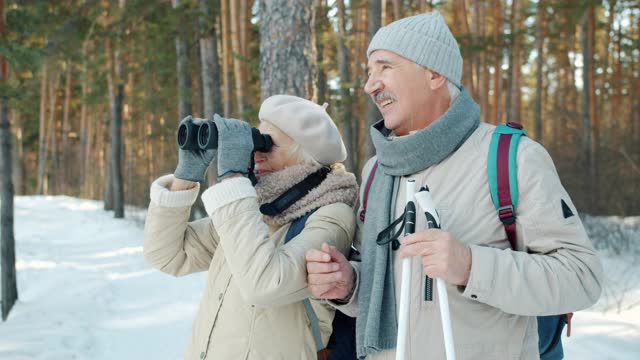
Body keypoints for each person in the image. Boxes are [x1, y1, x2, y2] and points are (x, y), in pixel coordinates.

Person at [305, 11, 603, 360]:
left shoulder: (514, 158)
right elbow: (388, 289)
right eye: (369, 72)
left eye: (384, 67)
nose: (371, 84)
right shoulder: (376, 172)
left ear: (433, 73)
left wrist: (471, 266)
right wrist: (349, 284)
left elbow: (582, 277)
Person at [144, 95, 358, 359]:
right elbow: (168, 255)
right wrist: (185, 177)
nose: (256, 154)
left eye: (266, 145)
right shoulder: (258, 208)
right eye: (256, 142)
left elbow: (266, 285)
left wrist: (234, 179)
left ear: (304, 155)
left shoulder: (332, 214)